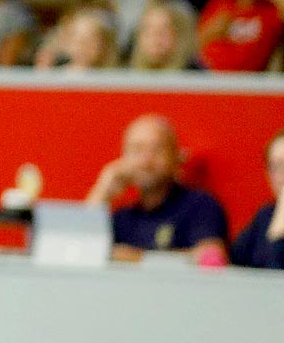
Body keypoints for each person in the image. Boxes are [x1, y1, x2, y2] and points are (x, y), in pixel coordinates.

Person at [87, 114, 228, 262]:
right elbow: (82, 250)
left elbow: (211, 257)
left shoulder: (200, 205)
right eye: (137, 150)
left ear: (176, 157)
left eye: (157, 149)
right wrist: (102, 192)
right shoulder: (122, 218)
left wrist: (136, 258)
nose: (146, 160)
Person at [230, 131, 284, 269]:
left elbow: (275, 276)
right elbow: (234, 262)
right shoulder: (265, 215)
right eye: (275, 166)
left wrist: (278, 234)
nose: (281, 175)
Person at [126, 0, 200, 72]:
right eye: (148, 30)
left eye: (163, 32)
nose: (155, 38)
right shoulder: (125, 74)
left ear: (179, 37)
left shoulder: (198, 77)